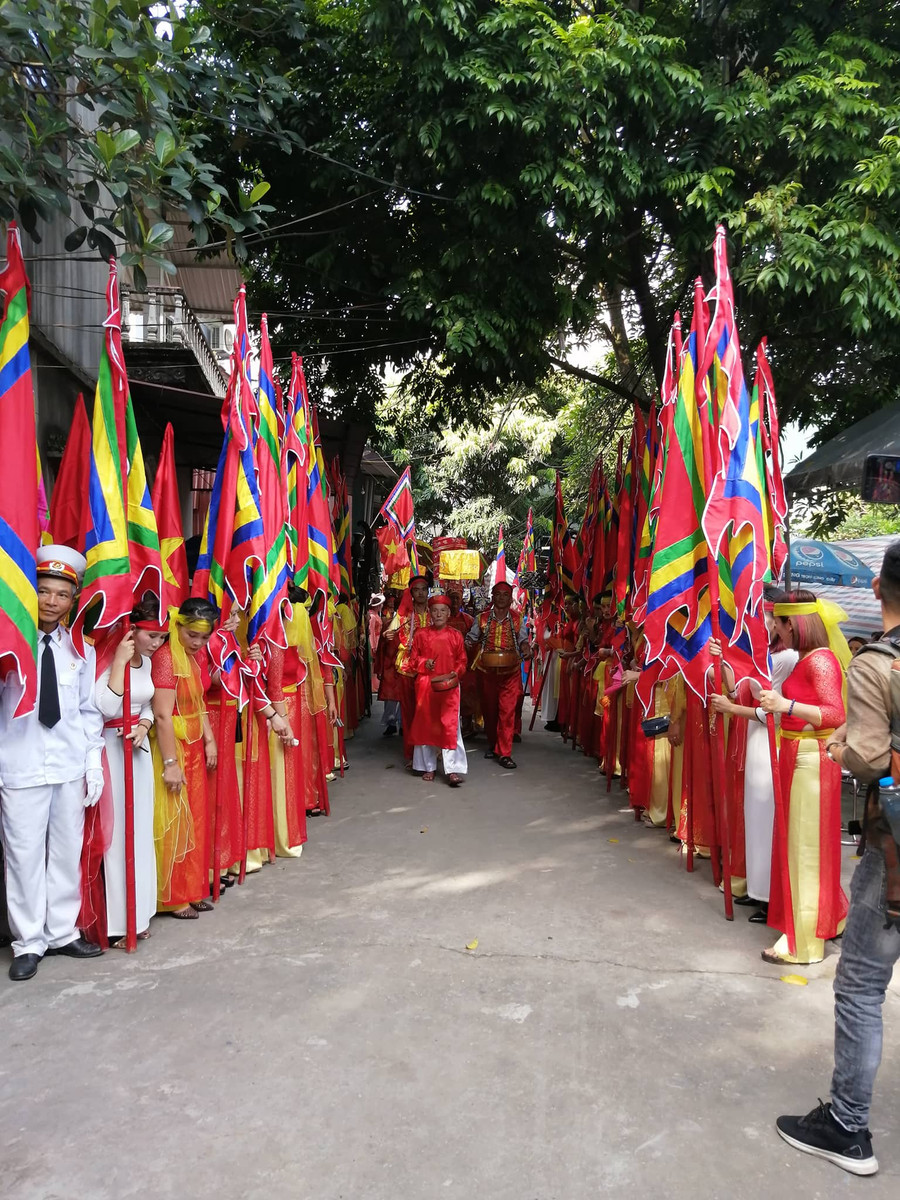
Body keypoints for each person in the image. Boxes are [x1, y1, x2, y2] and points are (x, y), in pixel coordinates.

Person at [776, 542, 900, 1176]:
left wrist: (840, 744)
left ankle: (849, 1127)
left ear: (878, 587)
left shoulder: (874, 664)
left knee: (859, 987)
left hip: (894, 846)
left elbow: (869, 758)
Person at [0, 545, 104, 981]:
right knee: (23, 856)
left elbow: (87, 711)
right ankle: (28, 942)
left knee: (64, 852)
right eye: (44, 591)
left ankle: (62, 932)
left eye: (62, 594)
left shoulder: (81, 648)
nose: (52, 601)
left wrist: (93, 761)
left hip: (67, 764)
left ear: (73, 599)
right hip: (19, 765)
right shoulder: (10, 645)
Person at [758, 589, 849, 965]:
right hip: (799, 755)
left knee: (806, 848)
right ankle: (826, 918)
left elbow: (835, 714)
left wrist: (786, 705)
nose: (777, 632)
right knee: (801, 844)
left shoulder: (821, 661)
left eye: (779, 624)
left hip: (811, 760)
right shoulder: (810, 659)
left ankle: (806, 943)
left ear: (792, 623)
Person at [709, 589, 799, 920]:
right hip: (752, 741)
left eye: (769, 618)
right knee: (753, 818)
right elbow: (738, 691)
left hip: (771, 741)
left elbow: (768, 709)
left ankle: (770, 896)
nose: (765, 623)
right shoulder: (758, 659)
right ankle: (757, 889)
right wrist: (726, 667)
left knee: (767, 817)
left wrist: (732, 704)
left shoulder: (786, 659)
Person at [96, 599, 168, 943]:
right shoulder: (108, 658)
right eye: (151, 635)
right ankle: (115, 923)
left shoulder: (150, 663)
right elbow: (105, 707)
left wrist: (143, 723)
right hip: (110, 750)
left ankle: (139, 916)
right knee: (115, 835)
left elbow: (152, 706)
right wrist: (119, 664)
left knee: (139, 830)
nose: (156, 643)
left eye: (161, 637)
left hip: (137, 750)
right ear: (132, 630)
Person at [151, 598, 218, 920]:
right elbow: (162, 715)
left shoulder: (196, 656)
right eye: (192, 635)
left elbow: (200, 701)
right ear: (177, 626)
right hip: (173, 746)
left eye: (204, 637)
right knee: (174, 820)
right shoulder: (165, 659)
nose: (198, 642)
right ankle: (173, 896)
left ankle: (192, 889)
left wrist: (210, 740)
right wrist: (170, 763)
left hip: (193, 743)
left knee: (195, 819)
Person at [468, 580, 531, 769]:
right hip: (487, 671)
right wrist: (466, 643)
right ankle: (493, 744)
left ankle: (504, 753)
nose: (502, 598)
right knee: (490, 710)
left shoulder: (518, 619)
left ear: (510, 598)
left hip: (510, 672)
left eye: (505, 594)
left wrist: (526, 648)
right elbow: (471, 638)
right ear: (492, 597)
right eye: (498, 594)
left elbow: (523, 640)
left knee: (507, 712)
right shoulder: (482, 618)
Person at [409, 596, 469, 785]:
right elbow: (412, 660)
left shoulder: (456, 635)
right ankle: (429, 767)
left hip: (449, 686)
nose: (439, 614)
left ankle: (453, 769)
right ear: (430, 613)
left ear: (449, 613)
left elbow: (462, 661)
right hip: (426, 685)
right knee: (427, 726)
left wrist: (455, 673)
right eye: (435, 610)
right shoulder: (420, 634)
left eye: (443, 610)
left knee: (450, 726)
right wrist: (423, 663)